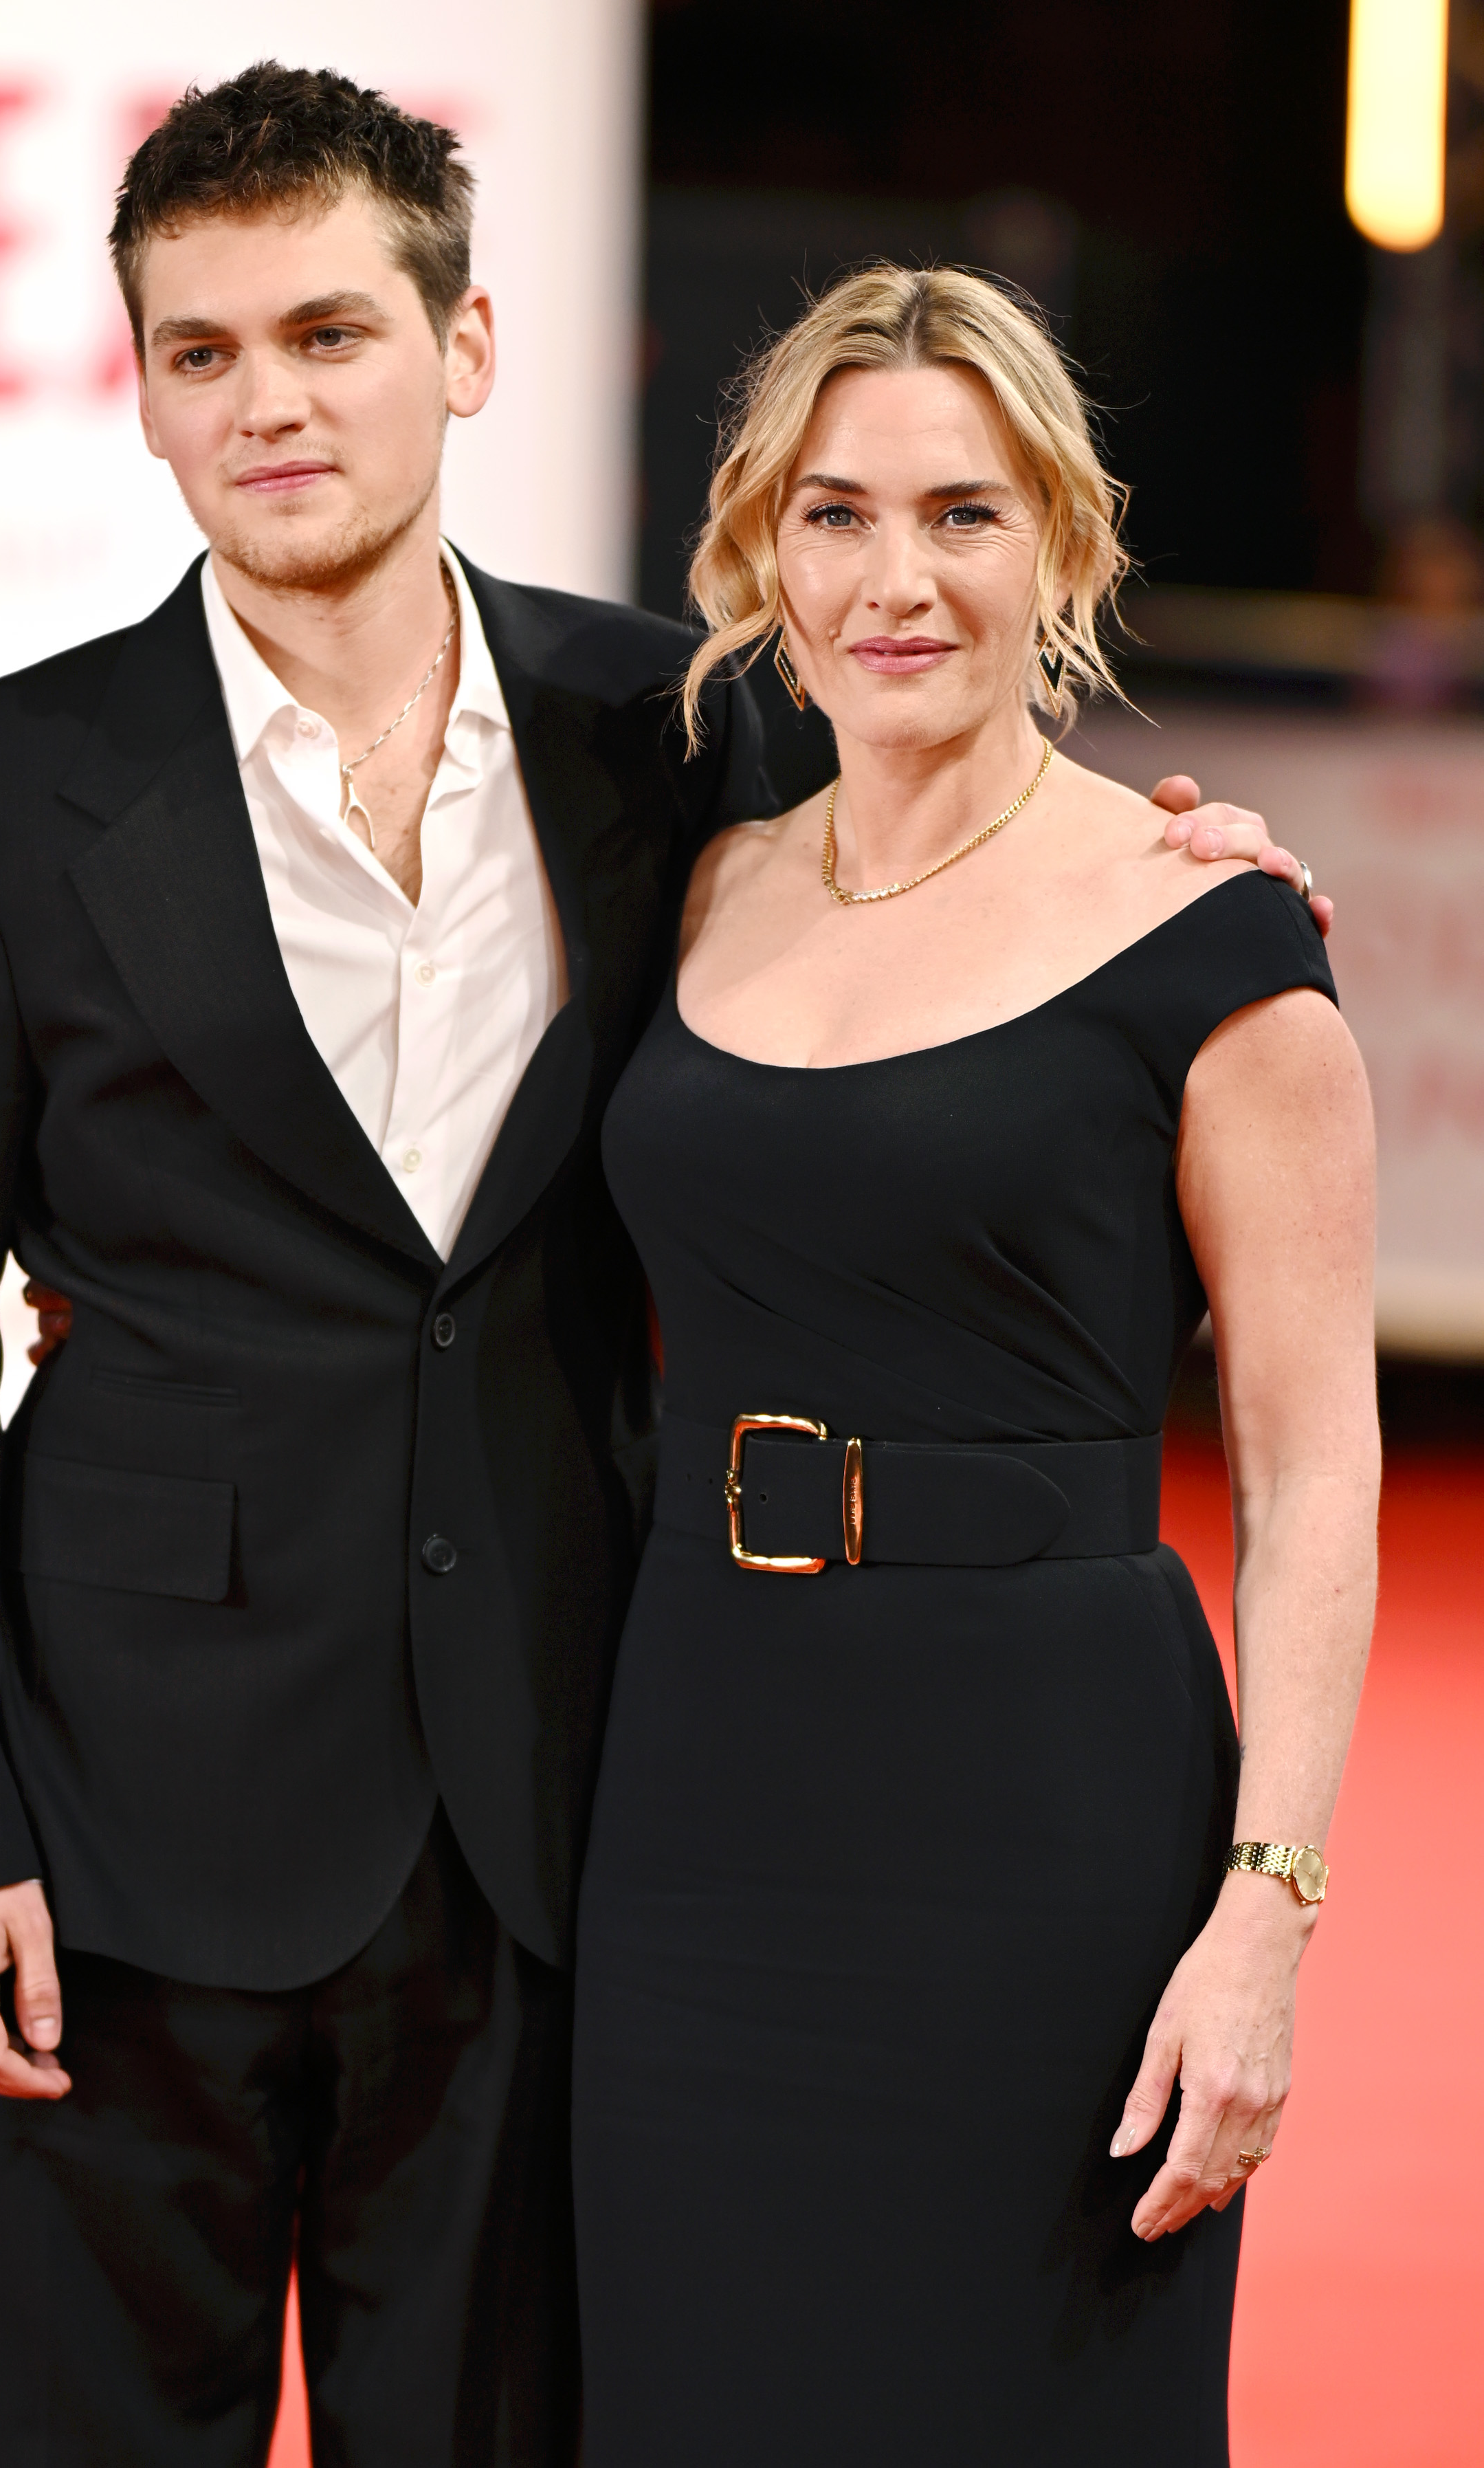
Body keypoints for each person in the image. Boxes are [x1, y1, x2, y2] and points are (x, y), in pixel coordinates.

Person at [0, 64, 1322, 2467]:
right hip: (113, 1831)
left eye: (327, 331)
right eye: (199, 354)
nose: (269, 404)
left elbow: (930, 876)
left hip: (559, 1816)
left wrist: (1174, 854)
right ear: (145, 395)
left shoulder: (673, 728)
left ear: (468, 347)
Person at [570, 265, 1377, 2467]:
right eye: (833, 516)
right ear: (756, 550)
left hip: (1044, 1826)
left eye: (964, 514)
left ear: (1066, 549)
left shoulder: (1214, 940)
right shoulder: (703, 881)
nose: (893, 578)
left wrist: (1265, 1919)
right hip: (693, 1793)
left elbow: (1316, 1470)